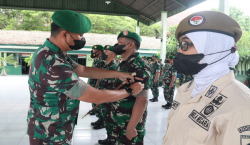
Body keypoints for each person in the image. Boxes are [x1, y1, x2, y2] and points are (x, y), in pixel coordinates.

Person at [26, 10, 144, 145]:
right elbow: (95, 96)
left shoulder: (54, 53)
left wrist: (119, 74)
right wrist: (129, 91)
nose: (82, 39)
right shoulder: (53, 62)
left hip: (53, 125)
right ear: (64, 34)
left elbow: (83, 70)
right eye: (80, 35)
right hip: (49, 132)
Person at [163, 11, 250, 145]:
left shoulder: (241, 107)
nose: (180, 52)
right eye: (180, 45)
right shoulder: (185, 89)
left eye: (186, 44)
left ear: (214, 47)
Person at [106, 30, 151, 145]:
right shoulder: (124, 64)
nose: (116, 45)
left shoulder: (139, 65)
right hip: (118, 119)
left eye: (120, 42)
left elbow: (142, 99)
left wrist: (130, 128)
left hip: (128, 122)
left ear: (130, 45)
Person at [96, 45, 119, 144]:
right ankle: (109, 137)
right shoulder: (103, 65)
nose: (103, 54)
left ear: (112, 55)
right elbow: (99, 77)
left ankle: (112, 139)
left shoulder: (115, 67)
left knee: (111, 119)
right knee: (106, 118)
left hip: (110, 98)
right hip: (102, 96)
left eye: (106, 52)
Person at [88, 45, 104, 117]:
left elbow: (100, 75)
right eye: (93, 50)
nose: (93, 52)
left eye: (95, 50)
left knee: (97, 98)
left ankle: (98, 113)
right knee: (92, 97)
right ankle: (94, 110)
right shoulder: (95, 59)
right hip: (92, 82)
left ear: (99, 51)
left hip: (96, 83)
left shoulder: (101, 61)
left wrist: (97, 85)